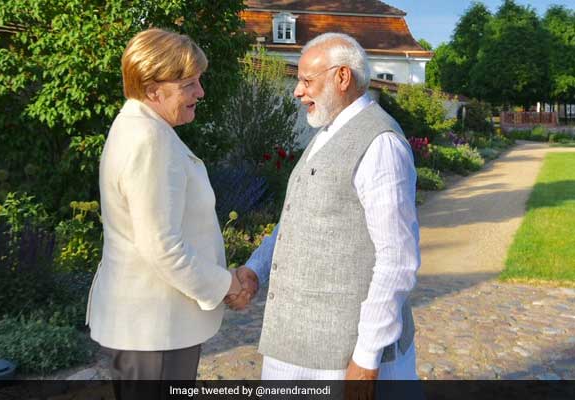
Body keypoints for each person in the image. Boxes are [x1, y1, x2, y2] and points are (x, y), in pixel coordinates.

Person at [229, 32, 421, 382]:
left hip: (342, 357)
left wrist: (366, 359)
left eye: (306, 80)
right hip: (296, 344)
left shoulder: (380, 145)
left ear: (342, 77)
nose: (297, 91)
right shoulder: (326, 133)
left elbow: (397, 260)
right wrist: (257, 267)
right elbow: (298, 221)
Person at [86, 28, 247, 383]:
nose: (200, 93)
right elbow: (162, 247)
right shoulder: (149, 140)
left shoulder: (139, 127)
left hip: (150, 327)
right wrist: (226, 285)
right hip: (153, 329)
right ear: (152, 88)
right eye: (189, 84)